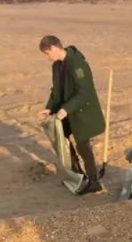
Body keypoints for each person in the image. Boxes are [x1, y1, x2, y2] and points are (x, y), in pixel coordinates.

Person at [35, 36, 106, 195]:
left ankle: (94, 182)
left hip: (81, 111)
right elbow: (57, 91)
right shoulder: (57, 66)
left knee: (83, 146)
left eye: (47, 54)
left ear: (54, 48)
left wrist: (66, 109)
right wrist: (50, 109)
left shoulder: (77, 64)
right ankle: (77, 174)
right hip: (66, 110)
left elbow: (84, 92)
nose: (47, 58)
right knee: (62, 139)